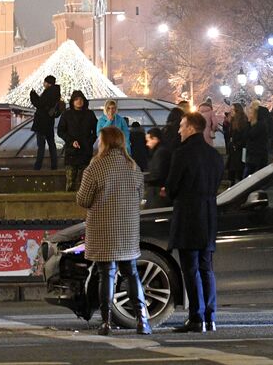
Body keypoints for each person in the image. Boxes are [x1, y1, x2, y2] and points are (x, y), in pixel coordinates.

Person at [76, 126, 149, 335]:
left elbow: (83, 199)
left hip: (103, 229)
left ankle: (106, 322)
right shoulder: (133, 166)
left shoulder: (95, 167)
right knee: (131, 273)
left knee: (106, 274)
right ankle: (142, 320)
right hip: (127, 229)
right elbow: (139, 197)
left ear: (105, 142)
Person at [166, 111, 224, 333]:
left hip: (188, 214)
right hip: (208, 214)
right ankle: (210, 316)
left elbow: (172, 187)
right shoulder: (214, 155)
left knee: (190, 269)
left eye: (182, 126)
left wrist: (171, 191)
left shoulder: (182, 154)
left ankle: (196, 316)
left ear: (191, 128)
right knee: (206, 267)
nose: (179, 130)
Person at [57, 90, 98, 191]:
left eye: (81, 99)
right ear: (72, 101)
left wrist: (89, 142)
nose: (79, 101)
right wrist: (71, 141)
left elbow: (97, 130)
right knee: (70, 181)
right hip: (71, 152)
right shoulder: (67, 114)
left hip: (85, 151)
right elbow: (60, 131)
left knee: (85, 182)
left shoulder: (90, 114)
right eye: (76, 99)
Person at [29, 75, 62, 171]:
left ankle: (38, 166)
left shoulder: (48, 92)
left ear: (48, 83)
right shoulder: (55, 93)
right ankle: (54, 165)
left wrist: (33, 95)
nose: (44, 84)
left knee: (41, 145)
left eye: (45, 82)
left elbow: (39, 104)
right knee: (51, 144)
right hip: (49, 122)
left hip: (42, 122)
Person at [145, 119, 176, 206]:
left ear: (155, 139)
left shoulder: (160, 153)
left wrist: (145, 179)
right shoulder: (161, 151)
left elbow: (158, 174)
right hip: (158, 191)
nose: (147, 144)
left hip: (158, 192)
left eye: (148, 140)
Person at [244, 105, 272, 175]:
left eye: (251, 113)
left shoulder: (260, 125)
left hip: (256, 154)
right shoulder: (262, 124)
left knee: (249, 174)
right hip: (258, 153)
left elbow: (250, 135)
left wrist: (248, 122)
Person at [225, 105, 250, 183]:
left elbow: (244, 136)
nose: (231, 111)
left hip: (239, 150)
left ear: (237, 110)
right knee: (232, 171)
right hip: (234, 149)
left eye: (233, 109)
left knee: (238, 170)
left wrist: (236, 145)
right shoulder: (233, 121)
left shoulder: (243, 121)